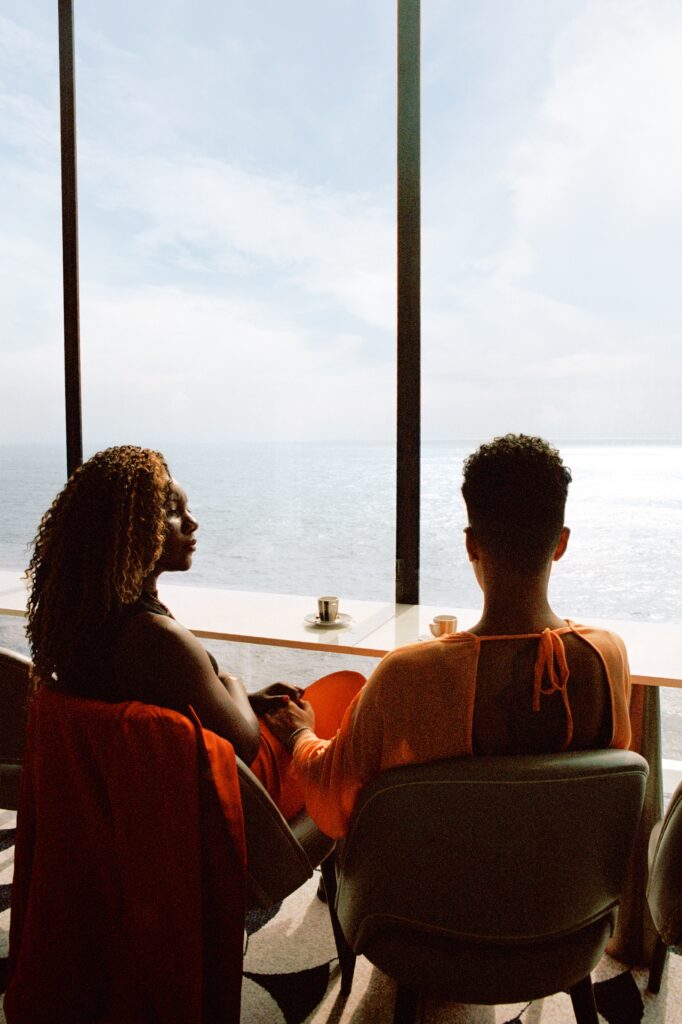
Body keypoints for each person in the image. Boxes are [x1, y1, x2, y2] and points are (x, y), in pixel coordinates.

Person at [265, 433, 632, 838]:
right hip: (566, 895)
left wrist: (299, 734)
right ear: (561, 544)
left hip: (431, 896)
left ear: (471, 544)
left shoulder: (406, 674)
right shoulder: (606, 656)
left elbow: (335, 802)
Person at [25, 444, 364, 819]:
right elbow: (245, 745)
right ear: (130, 529)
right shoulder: (155, 636)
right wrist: (232, 681)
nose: (192, 522)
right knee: (352, 698)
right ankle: (352, 856)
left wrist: (248, 699)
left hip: (153, 799)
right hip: (230, 802)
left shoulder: (87, 624)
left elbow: (172, 706)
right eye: (173, 512)